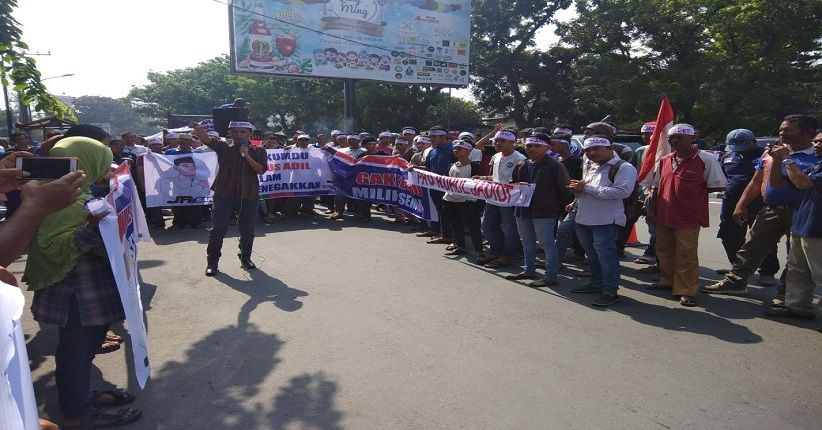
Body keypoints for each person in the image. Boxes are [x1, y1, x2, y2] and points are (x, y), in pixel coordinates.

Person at [22, 136, 142, 428]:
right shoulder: (61, 199)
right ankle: (78, 413)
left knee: (85, 347)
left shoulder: (78, 193)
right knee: (77, 349)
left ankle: (81, 398)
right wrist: (98, 226)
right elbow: (56, 245)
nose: (105, 167)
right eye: (101, 160)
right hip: (75, 289)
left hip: (88, 285)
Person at [702, 115, 820, 299]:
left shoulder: (817, 155)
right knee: (751, 248)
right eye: (781, 129)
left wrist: (786, 159)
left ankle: (785, 295)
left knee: (796, 258)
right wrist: (741, 205)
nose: (782, 133)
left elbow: (803, 184)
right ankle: (735, 282)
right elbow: (756, 181)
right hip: (771, 209)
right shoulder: (771, 153)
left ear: (807, 132)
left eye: (788, 130)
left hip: (802, 213)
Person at [649, 124, 727, 307]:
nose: (675, 140)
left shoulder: (705, 159)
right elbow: (657, 186)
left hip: (688, 216)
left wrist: (690, 195)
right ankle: (667, 281)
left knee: (686, 254)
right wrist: (652, 209)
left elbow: (717, 185)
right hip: (664, 213)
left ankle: (686, 290)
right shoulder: (665, 160)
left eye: (680, 137)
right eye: (672, 138)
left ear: (692, 138)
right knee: (664, 250)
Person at [568, 136, 638, 307]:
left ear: (609, 149)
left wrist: (585, 187)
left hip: (605, 220)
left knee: (607, 256)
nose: (592, 153)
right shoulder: (593, 166)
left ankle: (610, 291)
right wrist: (576, 196)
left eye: (596, 149)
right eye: (588, 150)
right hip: (584, 217)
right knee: (591, 255)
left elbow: (622, 192)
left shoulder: (624, 167)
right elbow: (587, 190)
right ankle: (596, 283)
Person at [193, 121, 268, 275]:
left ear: (250, 134)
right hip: (224, 194)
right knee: (218, 230)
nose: (238, 134)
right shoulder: (223, 147)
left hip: (249, 195)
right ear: (230, 133)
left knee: (247, 230)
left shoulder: (259, 150)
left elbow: (260, 170)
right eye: (235, 131)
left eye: (242, 131)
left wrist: (247, 155)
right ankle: (212, 262)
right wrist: (200, 132)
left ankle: (245, 258)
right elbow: (207, 140)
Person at [764, 130, 822, 324]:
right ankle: (798, 307)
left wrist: (787, 160)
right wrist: (777, 160)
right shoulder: (817, 165)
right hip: (802, 223)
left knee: (820, 273)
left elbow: (802, 183)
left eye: (821, 142)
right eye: (816, 141)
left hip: (818, 228)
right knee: (798, 270)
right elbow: (783, 182)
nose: (816, 145)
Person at [716, 129, 779, 282]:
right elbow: (723, 177)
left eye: (742, 146)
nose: (738, 150)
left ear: (753, 142)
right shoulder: (727, 157)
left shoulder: (766, 156)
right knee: (728, 235)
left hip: (758, 203)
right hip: (731, 202)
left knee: (762, 238)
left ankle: (767, 272)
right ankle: (738, 267)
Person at [507, 134, 570, 285]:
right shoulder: (522, 163)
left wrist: (555, 206)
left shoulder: (555, 166)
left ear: (547, 147)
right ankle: (529, 270)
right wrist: (516, 186)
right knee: (526, 241)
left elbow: (564, 189)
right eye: (529, 145)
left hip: (544, 211)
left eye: (537, 146)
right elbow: (513, 184)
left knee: (546, 242)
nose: (532, 149)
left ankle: (550, 276)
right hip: (522, 208)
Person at [473, 127, 525, 267]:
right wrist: (483, 178)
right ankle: (497, 253)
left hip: (510, 201)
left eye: (502, 140)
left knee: (509, 229)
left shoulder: (520, 159)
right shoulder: (495, 157)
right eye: (496, 140)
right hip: (493, 198)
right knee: (487, 226)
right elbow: (495, 177)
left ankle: (506, 256)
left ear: (512, 142)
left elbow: (521, 181)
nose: (497, 143)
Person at [441, 139, 484, 258]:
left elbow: (477, 184)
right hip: (450, 200)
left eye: (459, 148)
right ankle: (460, 246)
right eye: (454, 148)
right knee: (455, 224)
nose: (456, 150)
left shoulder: (474, 166)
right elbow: (444, 180)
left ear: (468, 150)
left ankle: (479, 251)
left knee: (473, 226)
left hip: (467, 202)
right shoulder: (451, 166)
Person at [419, 126, 457, 245]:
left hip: (449, 188)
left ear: (443, 136)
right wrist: (415, 168)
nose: (430, 139)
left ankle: (451, 237)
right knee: (440, 211)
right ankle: (441, 233)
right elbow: (428, 167)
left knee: (449, 212)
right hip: (434, 187)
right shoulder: (432, 151)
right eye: (430, 137)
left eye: (433, 137)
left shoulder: (454, 149)